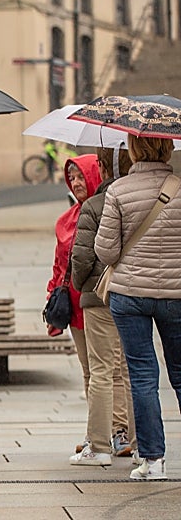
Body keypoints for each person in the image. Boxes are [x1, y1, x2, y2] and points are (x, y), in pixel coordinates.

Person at [94, 134, 181, 481]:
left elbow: (106, 252)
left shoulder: (118, 191)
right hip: (176, 295)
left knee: (143, 376)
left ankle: (153, 460)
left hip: (129, 296)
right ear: (168, 147)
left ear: (133, 149)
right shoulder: (179, 188)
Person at [71, 146, 136, 466]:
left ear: (104, 167)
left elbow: (83, 256)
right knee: (130, 370)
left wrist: (80, 283)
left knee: (100, 371)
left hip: (99, 296)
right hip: (137, 294)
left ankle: (99, 445)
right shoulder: (147, 198)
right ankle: (138, 442)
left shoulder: (96, 205)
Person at [47, 153, 102, 451]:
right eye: (73, 178)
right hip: (74, 308)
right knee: (88, 371)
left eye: (82, 176)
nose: (77, 183)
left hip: (100, 304)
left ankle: (112, 432)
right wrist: (52, 303)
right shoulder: (65, 220)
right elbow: (59, 266)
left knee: (108, 371)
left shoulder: (107, 212)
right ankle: (95, 432)